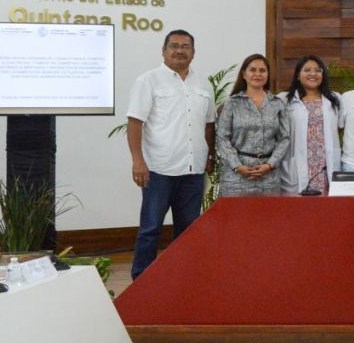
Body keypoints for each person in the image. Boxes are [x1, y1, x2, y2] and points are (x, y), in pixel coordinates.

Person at [126, 29, 216, 279]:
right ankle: (141, 280)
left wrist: (210, 156)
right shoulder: (148, 81)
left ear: (193, 53)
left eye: (186, 47)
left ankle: (182, 279)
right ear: (163, 51)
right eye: (174, 46)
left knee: (188, 231)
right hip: (158, 170)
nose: (180, 51)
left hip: (193, 170)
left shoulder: (203, 84)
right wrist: (138, 161)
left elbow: (209, 125)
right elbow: (135, 122)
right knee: (151, 229)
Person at [216, 54, 289, 197]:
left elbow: (284, 139)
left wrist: (270, 165)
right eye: (253, 70)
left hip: (269, 177)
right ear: (244, 74)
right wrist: (237, 166)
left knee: (268, 212)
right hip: (236, 177)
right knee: (236, 212)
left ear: (268, 74)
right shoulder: (232, 103)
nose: (257, 74)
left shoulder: (277, 104)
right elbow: (222, 138)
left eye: (262, 70)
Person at [279, 55, 341, 195]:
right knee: (298, 205)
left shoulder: (335, 99)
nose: (313, 74)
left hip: (325, 165)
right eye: (307, 70)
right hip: (296, 164)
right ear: (298, 75)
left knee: (325, 205)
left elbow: (341, 126)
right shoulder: (284, 99)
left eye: (318, 70)